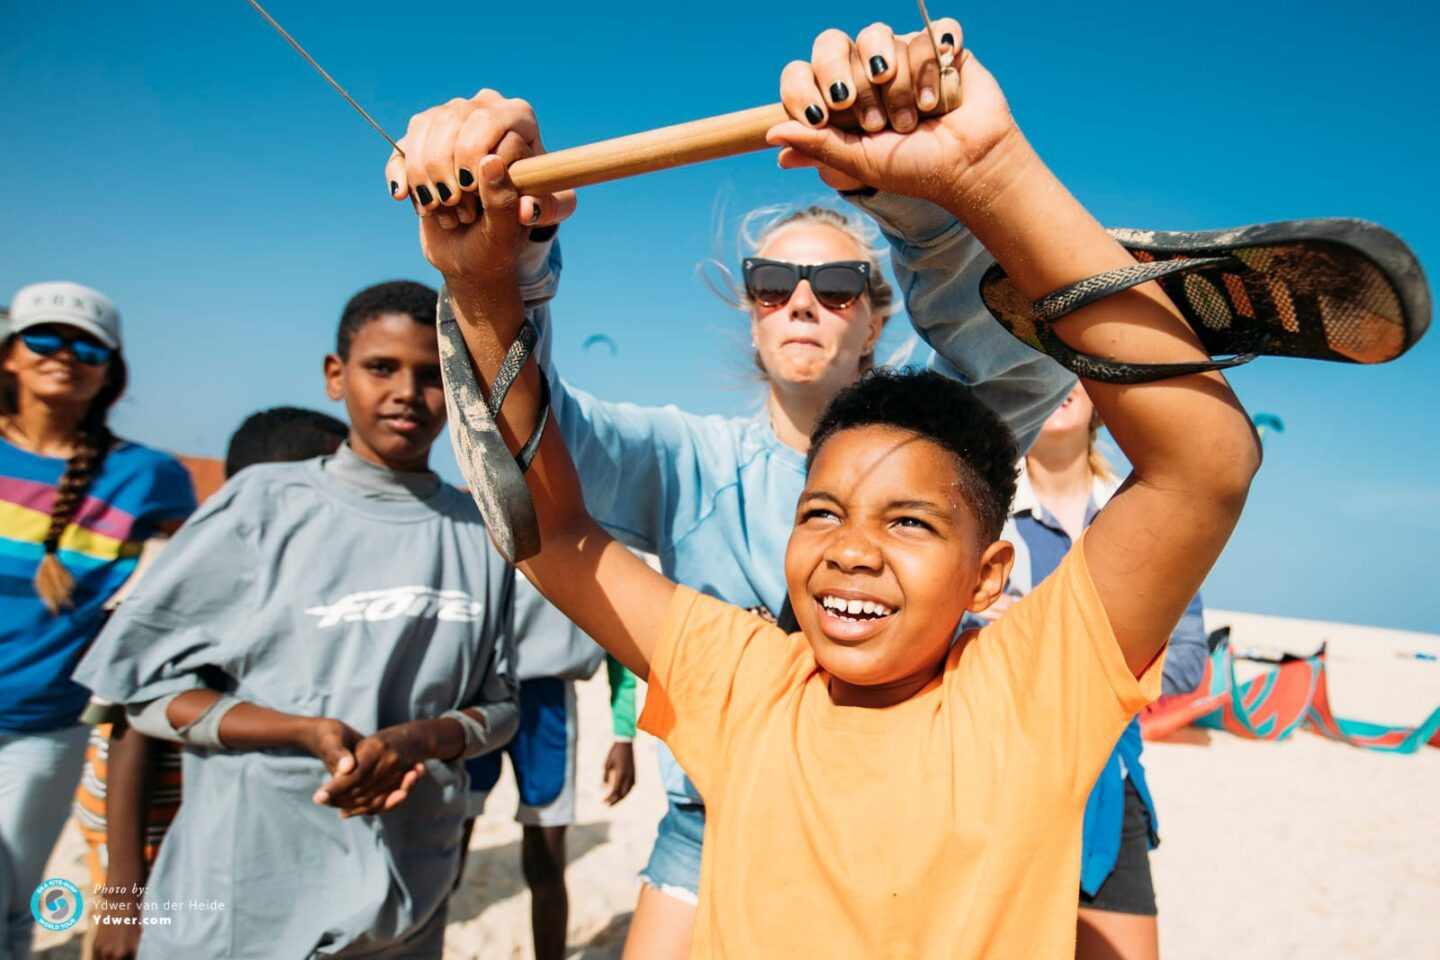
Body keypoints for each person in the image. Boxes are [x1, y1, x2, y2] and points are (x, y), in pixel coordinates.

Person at [396, 15, 1262, 956]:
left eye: (910, 521)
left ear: (989, 572)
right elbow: (545, 520)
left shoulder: (1025, 689)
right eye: (822, 509)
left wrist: (982, 175)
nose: (852, 548)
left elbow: (1195, 461)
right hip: (709, 809)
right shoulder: (742, 672)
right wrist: (487, 277)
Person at [72, 281, 521, 959]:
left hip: (404, 895)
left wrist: (422, 739)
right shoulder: (262, 507)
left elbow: (502, 709)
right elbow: (145, 696)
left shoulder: (480, 532)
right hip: (248, 891)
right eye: (381, 368)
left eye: (432, 376)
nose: (407, 392)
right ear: (335, 377)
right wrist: (303, 731)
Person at [77, 405, 348, 960]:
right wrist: (123, 900)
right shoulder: (208, 584)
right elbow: (133, 732)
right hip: (147, 823)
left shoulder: (289, 574)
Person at [0, 282, 197, 960]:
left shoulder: (148, 476)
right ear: (9, 355)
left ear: (111, 368)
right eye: (44, 337)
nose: (65, 354)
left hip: (44, 727)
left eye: (88, 344)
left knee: (10, 905)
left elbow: (213, 570)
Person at [982, 382, 1209, 960]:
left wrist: (1047, 640)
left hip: (1110, 788)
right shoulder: (978, 510)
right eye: (1050, 364)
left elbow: (1186, 659)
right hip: (991, 784)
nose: (1064, 381)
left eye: (1077, 367)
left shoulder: (1154, 513)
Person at [463, 578, 637, 960]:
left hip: (547, 702)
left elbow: (618, 625)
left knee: (545, 858)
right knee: (447, 846)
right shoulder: (471, 524)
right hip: (474, 697)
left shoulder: (583, 527)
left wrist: (623, 732)